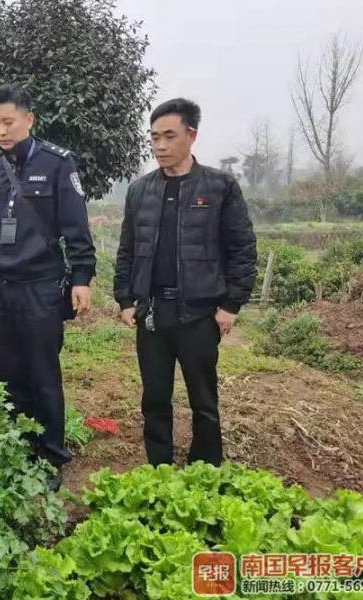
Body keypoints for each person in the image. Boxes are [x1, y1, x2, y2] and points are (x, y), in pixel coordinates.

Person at [0, 84, 97, 490]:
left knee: (42, 374)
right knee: (8, 375)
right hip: (1, 288)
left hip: (40, 286)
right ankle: (17, 447)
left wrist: (82, 278)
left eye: (8, 122)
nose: (1, 131)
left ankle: (52, 455)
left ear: (29, 120)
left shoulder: (57, 164)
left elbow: (77, 228)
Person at [113, 98, 258, 467]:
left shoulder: (219, 186)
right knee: (155, 398)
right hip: (152, 313)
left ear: (191, 136)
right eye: (154, 137)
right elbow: (127, 249)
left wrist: (231, 305)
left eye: (169, 136)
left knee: (204, 400)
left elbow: (242, 248)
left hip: (199, 314)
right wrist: (126, 299)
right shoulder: (140, 190)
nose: (160, 146)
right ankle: (158, 468)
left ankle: (206, 468)